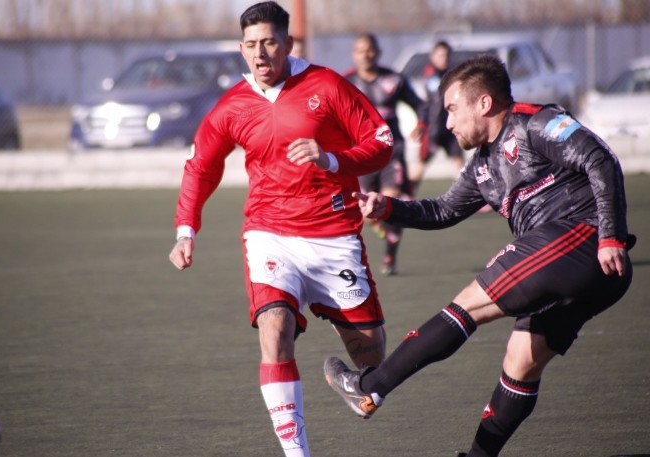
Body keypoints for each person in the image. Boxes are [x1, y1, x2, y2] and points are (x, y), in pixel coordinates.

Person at [323, 54, 635, 456]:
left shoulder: (534, 122)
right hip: (576, 268)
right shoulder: (482, 165)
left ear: (483, 104)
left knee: (468, 304)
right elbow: (443, 210)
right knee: (521, 360)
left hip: (583, 239)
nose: (447, 122)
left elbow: (600, 159)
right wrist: (389, 207)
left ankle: (369, 388)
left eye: (452, 109)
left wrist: (609, 235)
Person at [168, 2, 393, 456]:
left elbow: (381, 142)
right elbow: (201, 166)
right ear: (241, 49)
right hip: (270, 233)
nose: (260, 54)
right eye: (251, 45)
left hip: (334, 235)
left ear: (289, 43)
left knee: (371, 359)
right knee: (274, 330)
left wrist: (332, 159)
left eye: (270, 42)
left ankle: (356, 373)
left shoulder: (326, 85)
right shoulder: (233, 105)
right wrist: (185, 229)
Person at [344, 33, 427, 276]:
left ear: (378, 52)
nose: (366, 55)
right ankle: (387, 231)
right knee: (367, 211)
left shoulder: (394, 79)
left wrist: (421, 123)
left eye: (370, 50)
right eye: (360, 50)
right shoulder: (344, 82)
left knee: (389, 202)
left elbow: (420, 104)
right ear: (354, 54)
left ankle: (390, 257)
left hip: (392, 153)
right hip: (361, 156)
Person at [409, 40, 464, 193]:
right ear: (432, 57)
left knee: (458, 160)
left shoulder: (453, 75)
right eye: (440, 55)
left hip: (450, 127)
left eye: (446, 55)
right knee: (421, 163)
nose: (443, 58)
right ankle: (407, 193)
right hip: (433, 128)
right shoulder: (429, 75)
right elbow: (430, 100)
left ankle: (468, 194)